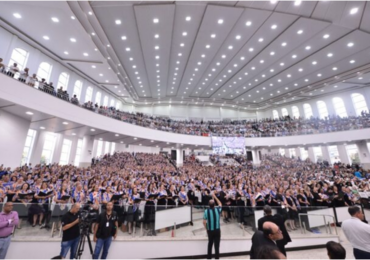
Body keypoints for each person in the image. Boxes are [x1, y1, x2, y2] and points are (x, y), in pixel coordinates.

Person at [203, 191, 222, 260]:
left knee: (210, 245)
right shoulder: (217, 209)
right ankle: (217, 258)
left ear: (208, 205)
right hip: (217, 230)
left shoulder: (206, 211)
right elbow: (220, 203)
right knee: (217, 246)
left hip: (210, 230)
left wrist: (206, 229)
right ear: (214, 205)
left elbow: (204, 222)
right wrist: (215, 197)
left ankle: (209, 258)